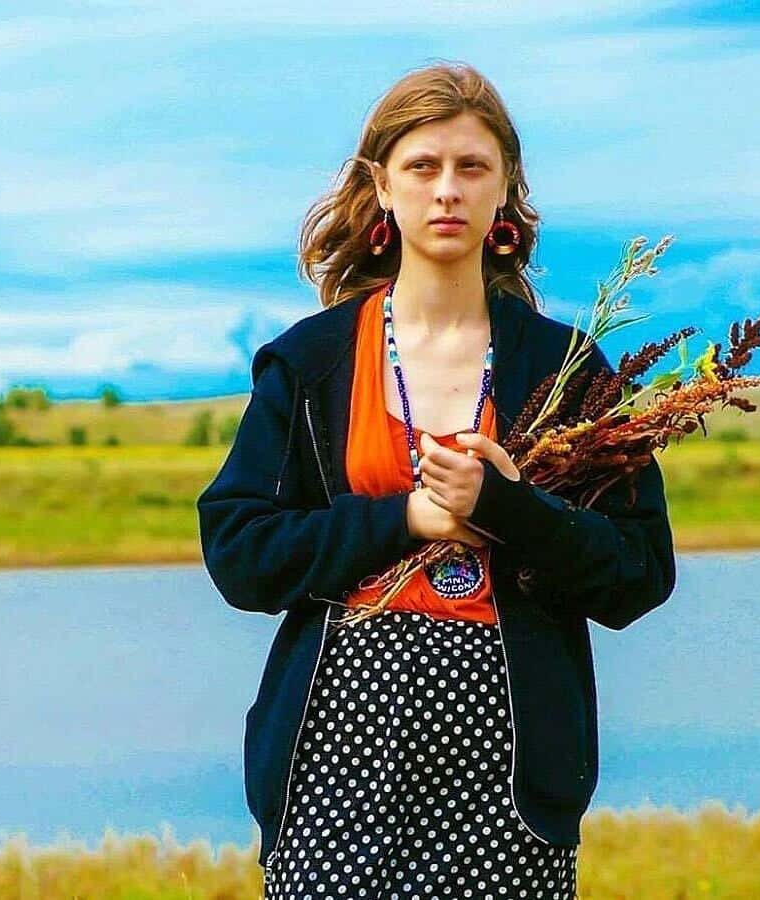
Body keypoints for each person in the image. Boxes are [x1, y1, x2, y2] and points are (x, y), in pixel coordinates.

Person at [197, 61, 676, 900]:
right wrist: (407, 518)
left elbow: (640, 572)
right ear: (383, 187)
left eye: (471, 168)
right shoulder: (309, 362)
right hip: (333, 759)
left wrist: (510, 512)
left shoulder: (567, 368)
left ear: (505, 193)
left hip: (511, 767)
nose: (446, 190)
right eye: (422, 167)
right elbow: (239, 551)